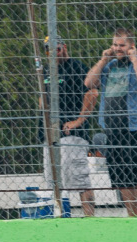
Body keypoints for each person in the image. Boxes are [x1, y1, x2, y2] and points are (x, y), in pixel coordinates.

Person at [85, 28, 137, 216]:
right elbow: (89, 83)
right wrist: (103, 60)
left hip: (136, 125)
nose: (117, 48)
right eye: (115, 45)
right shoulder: (109, 66)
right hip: (112, 126)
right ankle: (133, 216)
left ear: (131, 46)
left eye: (122, 45)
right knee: (121, 176)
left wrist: (134, 59)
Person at [40, 35, 99, 217]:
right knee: (53, 180)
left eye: (57, 49)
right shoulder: (46, 71)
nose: (54, 53)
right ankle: (59, 215)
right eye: (49, 50)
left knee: (78, 178)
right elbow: (43, 98)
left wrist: (79, 120)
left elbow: (92, 93)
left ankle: (89, 217)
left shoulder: (77, 67)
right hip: (50, 134)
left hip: (71, 133)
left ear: (64, 47)